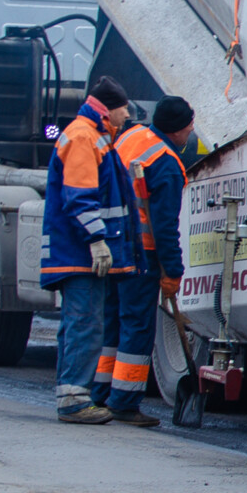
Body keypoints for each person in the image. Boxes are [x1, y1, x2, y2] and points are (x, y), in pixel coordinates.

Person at [93, 95, 195, 427]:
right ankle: (124, 401)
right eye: (190, 126)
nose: (191, 132)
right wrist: (173, 271)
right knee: (137, 325)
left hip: (112, 245)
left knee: (113, 322)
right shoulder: (166, 162)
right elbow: (165, 226)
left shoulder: (132, 137)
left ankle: (101, 393)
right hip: (141, 254)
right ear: (179, 130)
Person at [44, 75, 140, 424]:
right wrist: (97, 240)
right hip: (80, 252)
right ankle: (73, 401)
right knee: (85, 323)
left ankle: (71, 394)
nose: (127, 114)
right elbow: (80, 197)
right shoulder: (85, 138)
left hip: (76, 251)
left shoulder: (93, 135)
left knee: (77, 323)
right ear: (106, 109)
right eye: (123, 108)